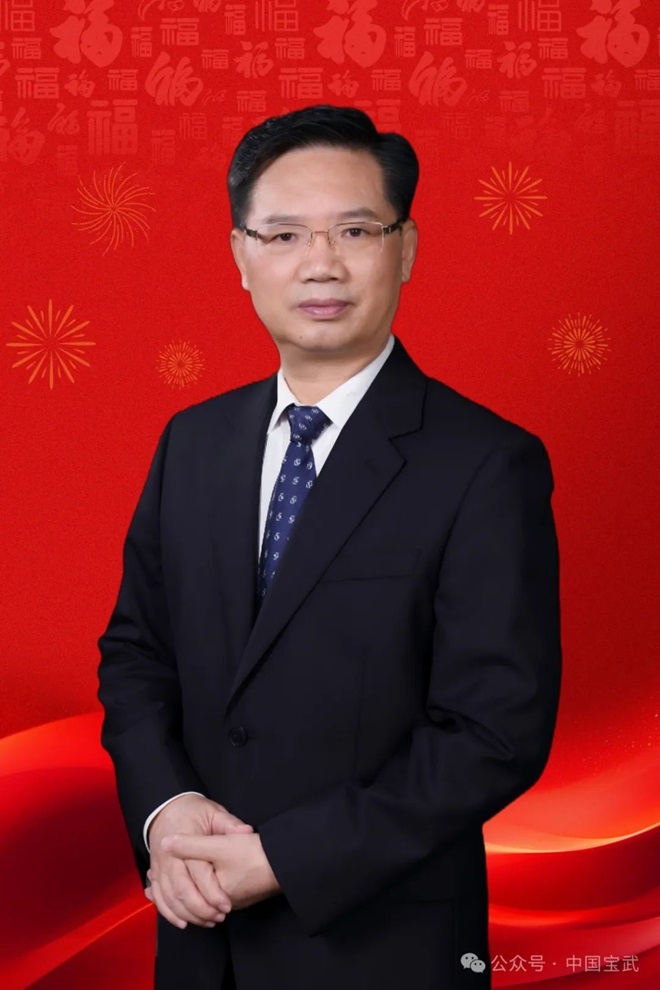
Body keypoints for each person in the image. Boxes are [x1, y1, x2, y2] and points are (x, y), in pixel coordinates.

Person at [97, 104, 561, 990]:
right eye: (283, 235)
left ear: (406, 248)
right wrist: (168, 811)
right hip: (198, 941)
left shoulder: (485, 463)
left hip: (383, 950)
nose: (321, 264)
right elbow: (136, 654)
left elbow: (493, 732)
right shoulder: (193, 443)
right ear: (241, 256)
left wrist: (282, 857)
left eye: (354, 230)